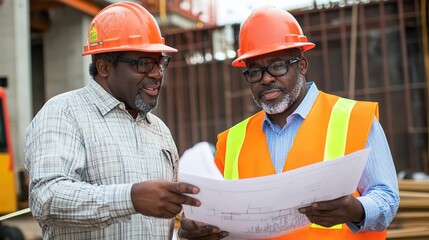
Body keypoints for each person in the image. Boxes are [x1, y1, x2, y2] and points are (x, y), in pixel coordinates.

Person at [179, 5, 399, 240]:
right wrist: (193, 231)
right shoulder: (232, 141)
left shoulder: (354, 118)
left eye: (277, 66)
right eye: (254, 71)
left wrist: (356, 209)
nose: (266, 78)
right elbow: (213, 214)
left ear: (302, 65)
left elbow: (386, 197)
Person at [24, 2, 201, 239]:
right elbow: (46, 197)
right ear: (104, 67)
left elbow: (168, 223)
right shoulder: (64, 113)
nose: (157, 73)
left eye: (160, 62)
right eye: (143, 63)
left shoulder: (159, 131)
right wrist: (130, 198)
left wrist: (188, 233)